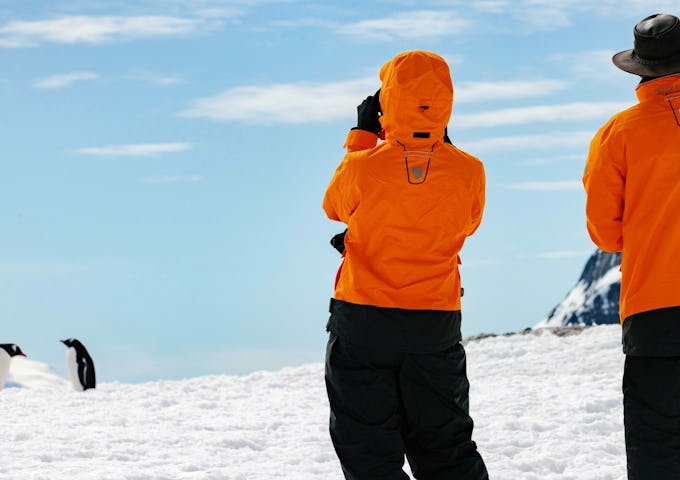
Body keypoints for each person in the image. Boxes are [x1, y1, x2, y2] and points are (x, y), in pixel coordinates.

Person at [322, 50, 488, 480]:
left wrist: (362, 135)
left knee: (369, 452)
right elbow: (468, 223)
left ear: (385, 102)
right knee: (447, 448)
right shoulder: (470, 171)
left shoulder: (363, 166)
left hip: (363, 324)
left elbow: (334, 207)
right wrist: (438, 140)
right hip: (434, 326)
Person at [583, 13, 680, 480]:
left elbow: (605, 234)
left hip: (655, 311)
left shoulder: (618, 133)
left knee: (657, 449)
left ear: (641, 69)